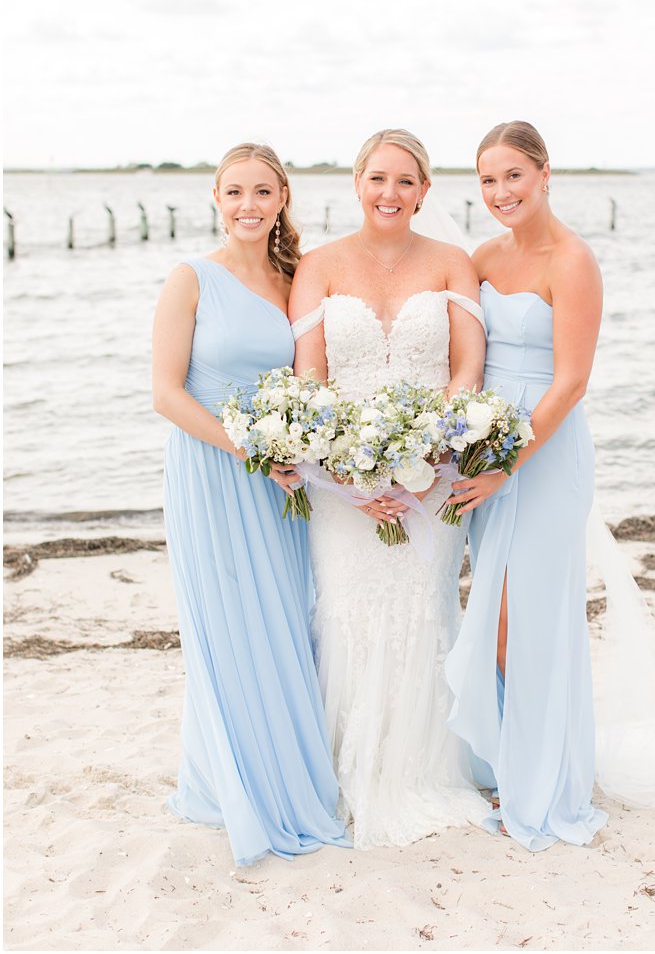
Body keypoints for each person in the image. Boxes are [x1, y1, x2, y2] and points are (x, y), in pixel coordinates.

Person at [288, 128, 490, 848]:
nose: (390, 193)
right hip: (344, 485)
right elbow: (311, 376)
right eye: (378, 178)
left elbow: (467, 368)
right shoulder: (317, 264)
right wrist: (344, 470)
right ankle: (347, 772)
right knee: (344, 610)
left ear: (425, 191)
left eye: (406, 181)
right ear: (356, 183)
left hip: (431, 479)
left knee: (420, 610)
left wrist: (434, 450)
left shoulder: (452, 263)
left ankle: (421, 772)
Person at [150, 142, 348, 865]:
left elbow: (311, 375)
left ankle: (290, 767)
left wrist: (305, 451)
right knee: (228, 621)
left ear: (282, 197)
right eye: (234, 192)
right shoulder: (190, 278)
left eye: (261, 192)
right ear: (215, 197)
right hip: (213, 471)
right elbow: (166, 393)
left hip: (281, 479)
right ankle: (234, 777)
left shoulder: (295, 277)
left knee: (284, 617)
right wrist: (249, 452)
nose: (247, 205)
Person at [442, 120, 610, 849]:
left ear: (545, 173)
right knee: (496, 614)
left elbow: (571, 380)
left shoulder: (572, 261)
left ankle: (542, 778)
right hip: (487, 453)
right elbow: (466, 361)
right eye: (487, 180)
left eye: (513, 175)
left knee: (525, 619)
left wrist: (511, 461)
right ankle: (513, 759)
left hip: (542, 456)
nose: (501, 192)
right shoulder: (480, 258)